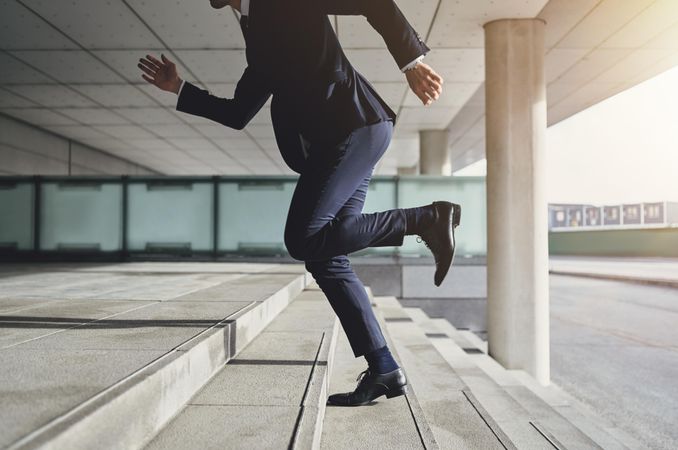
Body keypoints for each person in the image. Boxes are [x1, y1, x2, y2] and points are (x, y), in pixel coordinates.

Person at [138, 0, 460, 407]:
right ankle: (383, 368)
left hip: (354, 128)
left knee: (302, 237)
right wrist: (180, 89)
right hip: (339, 140)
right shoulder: (256, 30)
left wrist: (411, 62)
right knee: (325, 255)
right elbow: (239, 113)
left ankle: (428, 218)